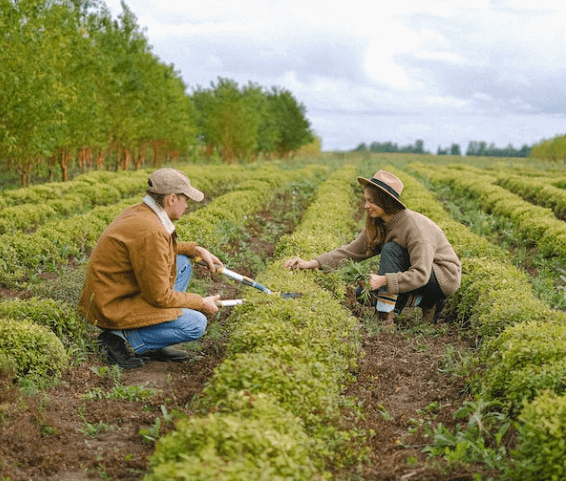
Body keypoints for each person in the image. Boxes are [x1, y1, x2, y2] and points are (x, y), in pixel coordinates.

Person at [78, 168, 222, 369]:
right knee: (196, 323)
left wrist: (194, 249)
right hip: (113, 305)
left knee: (181, 263)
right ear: (172, 199)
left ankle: (150, 337)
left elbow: (158, 250)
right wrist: (200, 302)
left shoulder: (142, 213)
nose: (187, 205)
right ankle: (120, 339)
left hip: (116, 292)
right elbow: (160, 297)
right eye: (186, 199)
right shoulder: (150, 230)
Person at [284, 169, 461, 327]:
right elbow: (351, 251)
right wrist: (310, 263)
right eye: (365, 200)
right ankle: (427, 302)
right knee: (364, 294)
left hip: (441, 277)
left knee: (391, 250)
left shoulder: (415, 229)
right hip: (418, 275)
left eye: (371, 201)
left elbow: (421, 274)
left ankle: (385, 318)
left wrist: (383, 281)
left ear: (386, 202)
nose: (365, 206)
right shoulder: (379, 223)